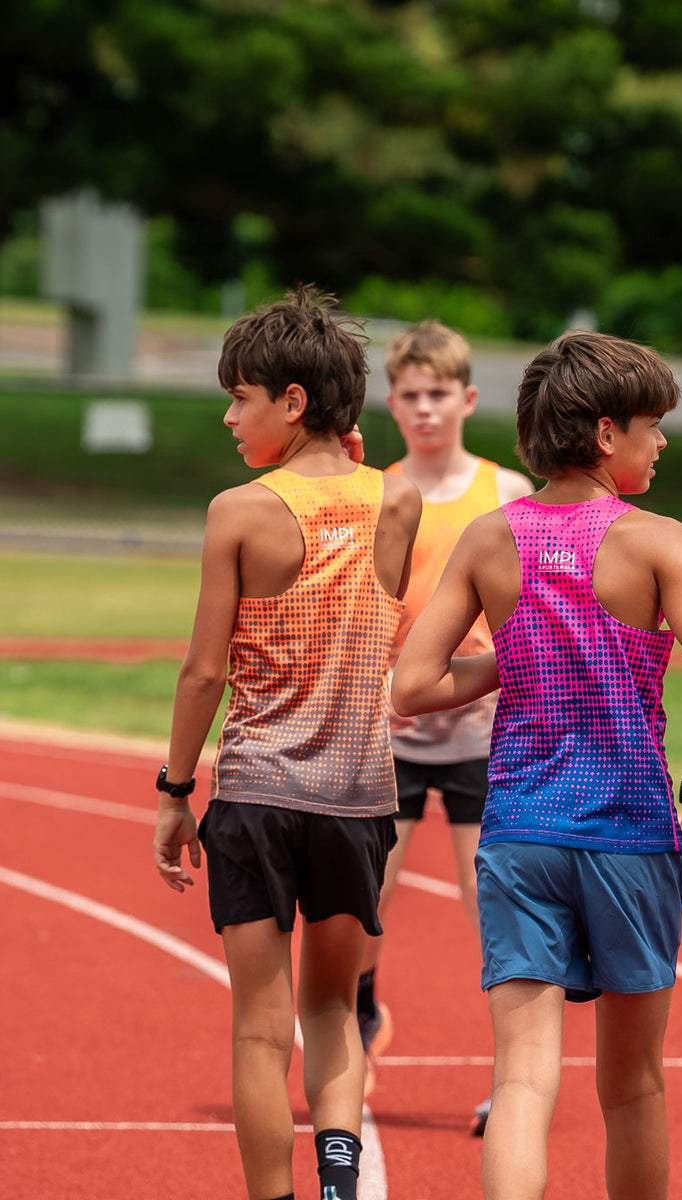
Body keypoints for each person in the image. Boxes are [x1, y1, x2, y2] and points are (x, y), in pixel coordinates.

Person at [391, 329, 682, 1200]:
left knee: (523, 1078)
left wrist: (514, 653)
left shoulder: (492, 539)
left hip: (522, 830)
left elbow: (411, 684)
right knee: (632, 1085)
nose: (663, 441)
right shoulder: (657, 542)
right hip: (628, 837)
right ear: (606, 435)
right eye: (652, 425)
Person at [152, 286, 422, 1200]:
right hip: (359, 800)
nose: (231, 418)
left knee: (261, 1030)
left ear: (293, 401)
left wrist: (173, 788)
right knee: (334, 1010)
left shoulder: (239, 511)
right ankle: (342, 1185)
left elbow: (203, 672)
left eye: (241, 398)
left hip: (258, 795)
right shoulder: (401, 500)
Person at [356, 319, 533, 1118]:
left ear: (466, 399)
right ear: (391, 402)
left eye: (439, 394)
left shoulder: (508, 494)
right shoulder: (380, 493)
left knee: (487, 901)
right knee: (371, 896)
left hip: (481, 733)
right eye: (410, 395)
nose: (425, 409)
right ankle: (358, 1027)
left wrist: (485, 681)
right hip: (394, 728)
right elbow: (365, 612)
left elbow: (528, 615)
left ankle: (511, 1077)